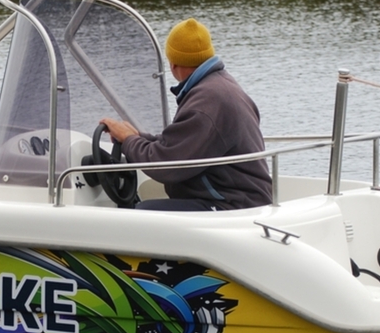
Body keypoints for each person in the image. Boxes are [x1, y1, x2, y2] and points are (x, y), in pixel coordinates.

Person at [98, 19, 272, 211]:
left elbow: (167, 165)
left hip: (232, 206)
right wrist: (138, 138)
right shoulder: (222, 85)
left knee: (141, 214)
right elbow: (182, 145)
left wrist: (130, 141)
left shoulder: (206, 102)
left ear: (173, 64)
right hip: (246, 201)